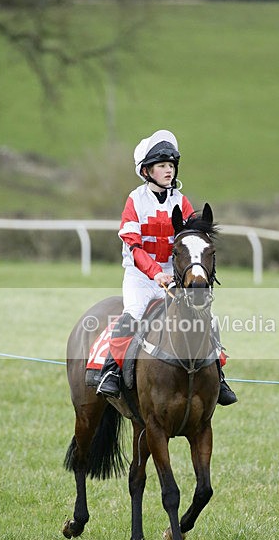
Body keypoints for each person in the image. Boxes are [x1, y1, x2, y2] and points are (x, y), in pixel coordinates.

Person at [95, 129, 237, 404]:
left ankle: (218, 378)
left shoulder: (181, 202)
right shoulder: (135, 200)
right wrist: (154, 272)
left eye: (171, 165)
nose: (168, 170)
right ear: (146, 171)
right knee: (132, 315)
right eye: (162, 166)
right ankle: (111, 373)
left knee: (209, 319)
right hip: (140, 277)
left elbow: (191, 239)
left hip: (175, 277)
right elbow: (133, 244)